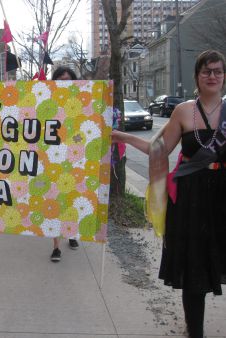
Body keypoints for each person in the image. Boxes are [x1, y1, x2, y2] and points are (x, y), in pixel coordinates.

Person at [112, 50, 226, 338]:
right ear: (197, 77)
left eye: (217, 71)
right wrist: (122, 136)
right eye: (206, 71)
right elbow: (159, 149)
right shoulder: (184, 111)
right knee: (194, 268)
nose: (212, 76)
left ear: (224, 77)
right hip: (190, 201)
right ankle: (195, 331)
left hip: (222, 198)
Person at [50, 66, 80, 262]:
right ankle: (55, 247)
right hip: (52, 157)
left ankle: (71, 234)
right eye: (61, 80)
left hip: (75, 157)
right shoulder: (48, 101)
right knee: (54, 201)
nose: (64, 83)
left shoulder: (81, 101)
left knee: (70, 198)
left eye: (68, 80)